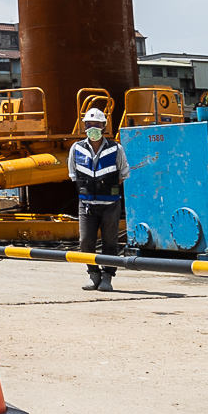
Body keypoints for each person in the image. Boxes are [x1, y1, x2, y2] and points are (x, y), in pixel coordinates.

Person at [66, 106, 124, 290]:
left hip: (110, 205)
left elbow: (122, 174)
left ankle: (108, 277)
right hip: (86, 205)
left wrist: (106, 188)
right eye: (89, 124)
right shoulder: (76, 149)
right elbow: (73, 174)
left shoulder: (116, 148)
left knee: (110, 242)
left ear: (104, 126)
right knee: (85, 242)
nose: (92, 127)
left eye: (96, 124)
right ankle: (93, 274)